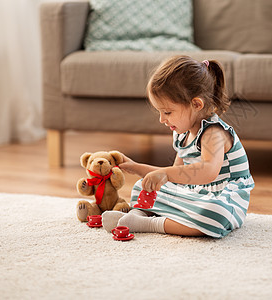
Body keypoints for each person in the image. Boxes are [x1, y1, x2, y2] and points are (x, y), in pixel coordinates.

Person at [102, 55, 255, 238]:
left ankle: (148, 223)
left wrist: (165, 174)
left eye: (167, 112)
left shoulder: (213, 133)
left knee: (214, 214)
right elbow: (175, 174)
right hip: (196, 193)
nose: (161, 119)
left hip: (223, 197)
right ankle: (136, 215)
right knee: (142, 186)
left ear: (196, 104)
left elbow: (208, 171)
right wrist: (136, 167)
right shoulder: (182, 133)